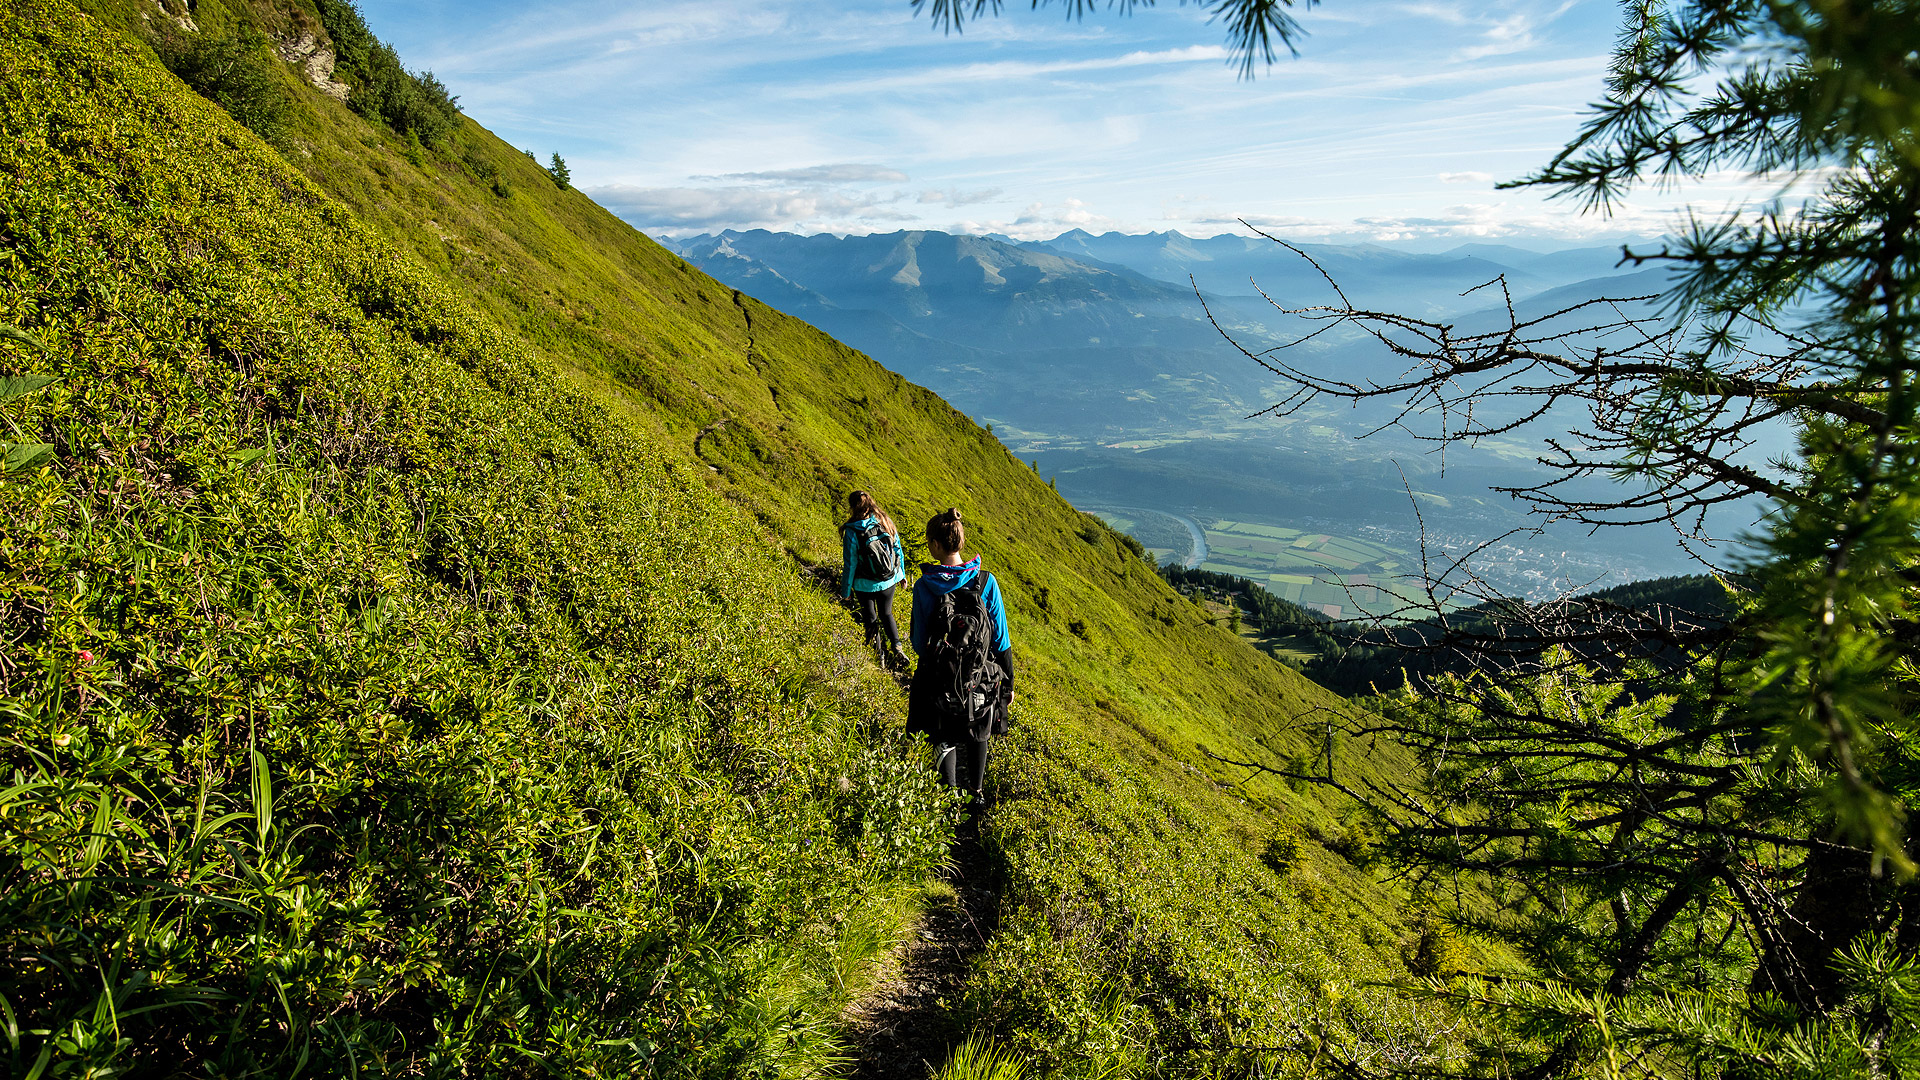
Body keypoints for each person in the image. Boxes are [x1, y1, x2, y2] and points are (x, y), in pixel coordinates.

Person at [908, 508, 1014, 807]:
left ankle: (949, 794)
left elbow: (918, 641)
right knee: (979, 728)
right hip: (979, 674)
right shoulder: (986, 581)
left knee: (942, 732)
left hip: (936, 673)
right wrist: (1007, 681)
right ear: (961, 541)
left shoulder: (924, 586)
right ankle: (976, 794)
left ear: (936, 545)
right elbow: (1001, 637)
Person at [841, 491, 910, 669]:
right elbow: (897, 548)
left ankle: (878, 655)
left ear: (852, 506)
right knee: (887, 614)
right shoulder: (885, 521)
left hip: (864, 584)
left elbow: (850, 564)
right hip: (888, 579)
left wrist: (846, 592)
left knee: (870, 617)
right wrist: (901, 574)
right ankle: (898, 648)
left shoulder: (852, 530)